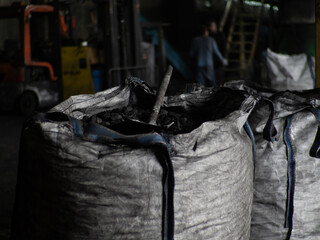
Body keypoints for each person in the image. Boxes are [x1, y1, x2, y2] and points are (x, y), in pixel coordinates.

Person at [207, 19, 227, 85]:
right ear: (209, 27)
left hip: (218, 60)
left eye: (214, 26)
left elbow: (223, 47)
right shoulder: (208, 36)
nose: (214, 27)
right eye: (212, 26)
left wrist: (223, 57)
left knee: (219, 77)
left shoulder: (220, 35)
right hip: (210, 60)